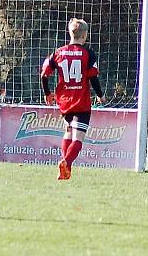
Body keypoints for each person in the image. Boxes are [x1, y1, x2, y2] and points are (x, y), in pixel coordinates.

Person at [40, 18, 105, 180]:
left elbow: (44, 74)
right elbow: (93, 78)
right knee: (78, 138)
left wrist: (47, 93)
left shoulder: (58, 52)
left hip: (64, 101)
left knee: (68, 131)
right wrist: (100, 94)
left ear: (70, 33)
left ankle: (66, 170)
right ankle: (66, 162)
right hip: (81, 102)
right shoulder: (88, 53)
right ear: (84, 36)